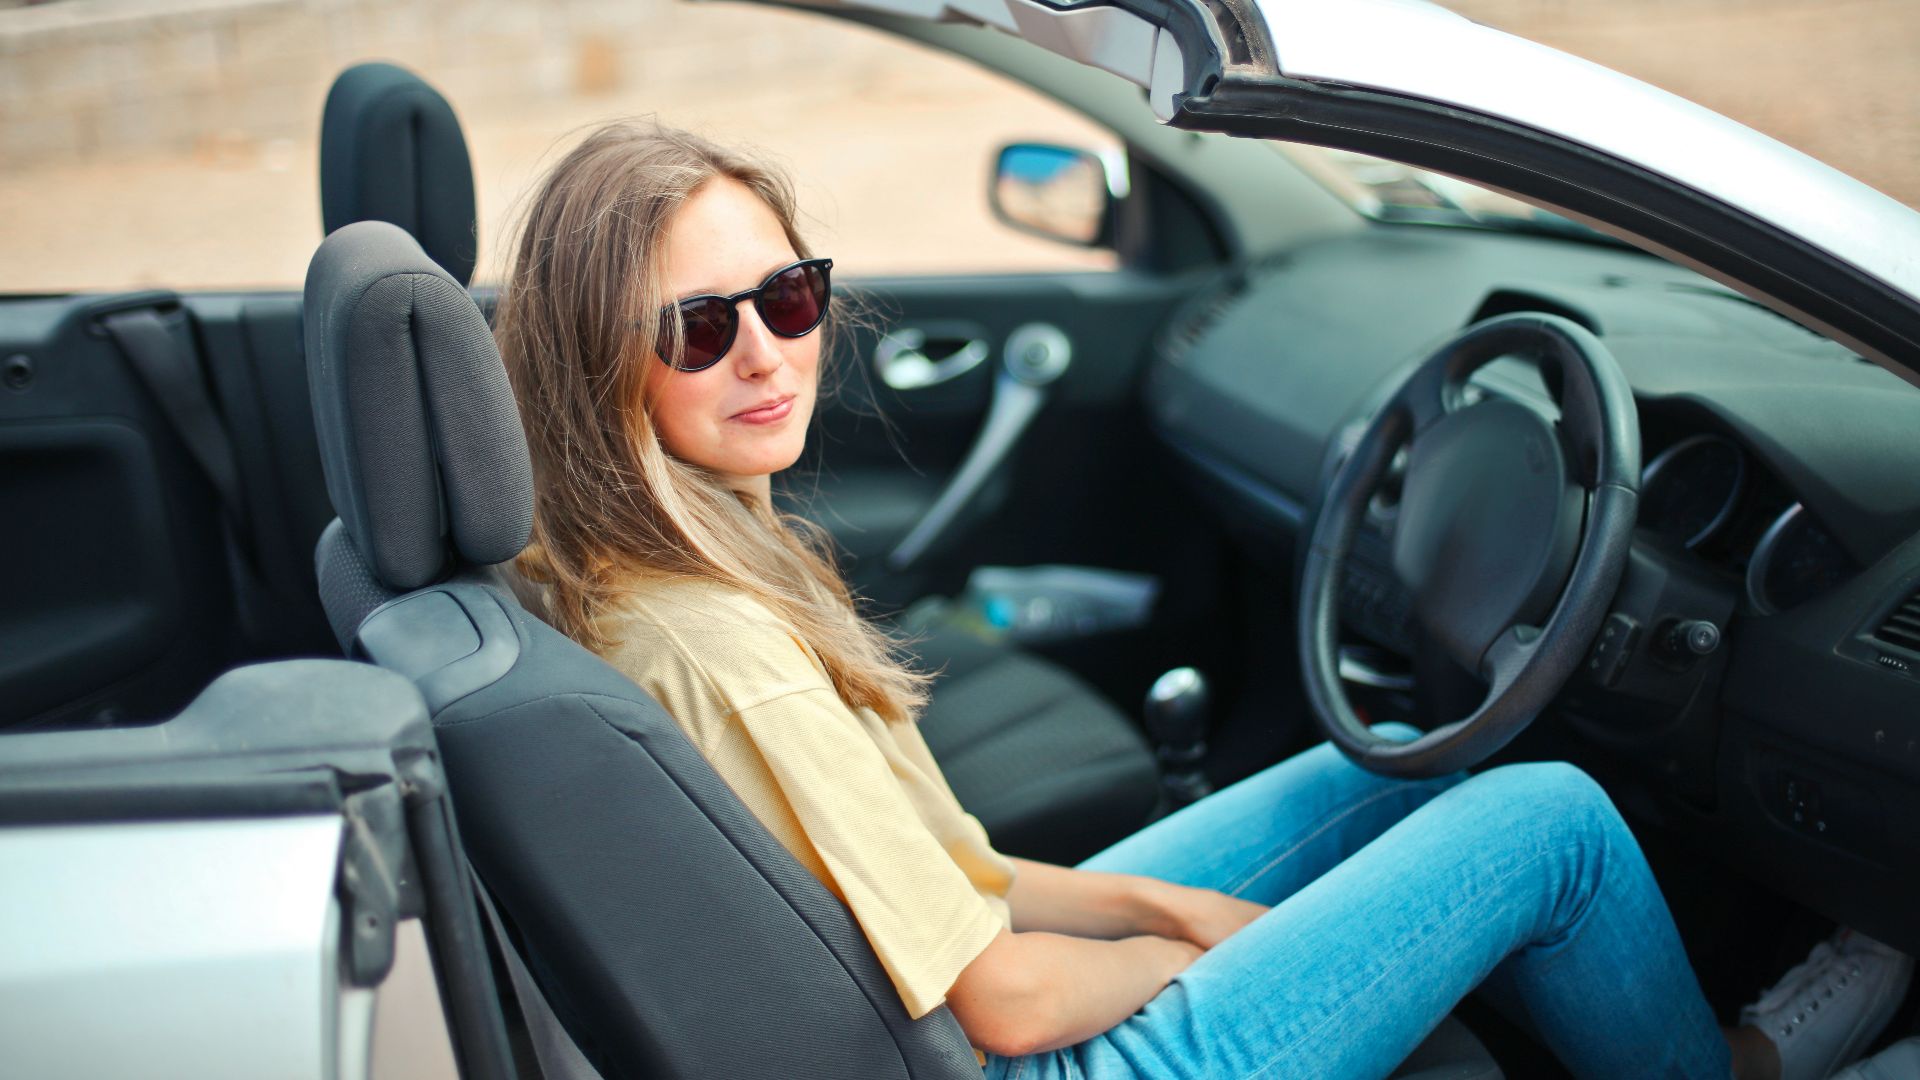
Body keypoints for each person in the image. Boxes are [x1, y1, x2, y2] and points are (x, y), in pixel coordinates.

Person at [494, 119, 1911, 1080]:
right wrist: (1214, 936)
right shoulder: (727, 645)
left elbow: (961, 879)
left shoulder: (651, 574)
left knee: (1425, 773)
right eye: (698, 327)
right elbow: (1004, 997)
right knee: (1549, 821)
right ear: (591, 365)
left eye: (787, 299)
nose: (764, 355)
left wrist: (1152, 903)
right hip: (1061, 1060)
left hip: (972, 1010)